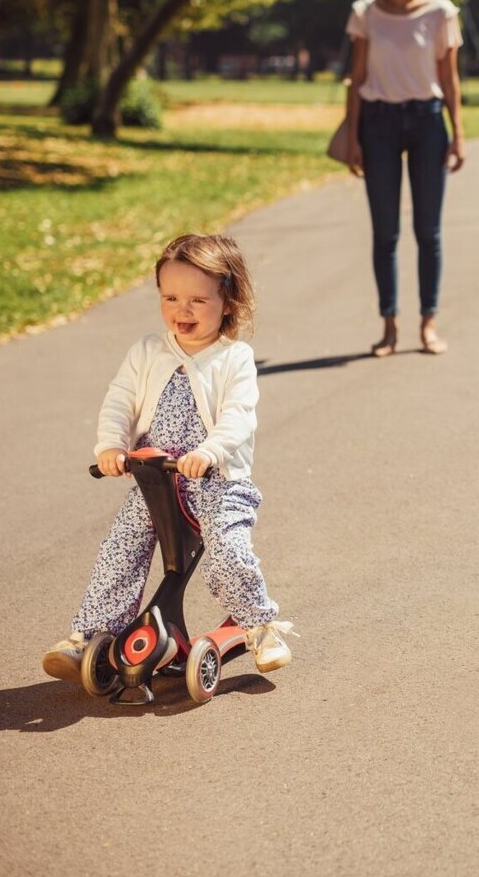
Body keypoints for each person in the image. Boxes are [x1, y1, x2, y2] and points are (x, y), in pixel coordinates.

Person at [42, 234, 295, 681]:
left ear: (228, 301)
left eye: (198, 299)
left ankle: (259, 625)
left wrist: (208, 452)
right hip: (157, 482)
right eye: (171, 297)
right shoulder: (147, 351)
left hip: (218, 482)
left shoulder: (235, 358)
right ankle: (90, 635)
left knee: (228, 549)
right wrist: (110, 447)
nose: (183, 309)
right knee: (121, 546)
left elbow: (238, 418)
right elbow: (119, 401)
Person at [343, 0, 465, 357]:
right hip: (378, 125)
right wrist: (353, 136)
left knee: (427, 231)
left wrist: (458, 136)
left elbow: (449, 78)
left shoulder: (440, 12)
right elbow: (357, 79)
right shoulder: (366, 14)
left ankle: (428, 324)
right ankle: (389, 327)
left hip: (428, 124)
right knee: (385, 232)